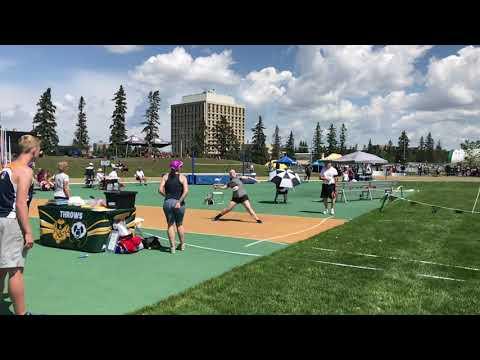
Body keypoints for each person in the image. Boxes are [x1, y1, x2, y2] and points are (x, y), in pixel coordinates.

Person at [0, 135, 41, 315]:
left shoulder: (6, 168)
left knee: (1, 268)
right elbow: (20, 204)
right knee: (15, 270)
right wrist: (28, 231)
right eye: (39, 149)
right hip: (11, 222)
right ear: (33, 150)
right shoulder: (25, 171)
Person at [159, 160, 189, 254]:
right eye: (181, 166)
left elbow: (160, 190)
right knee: (179, 224)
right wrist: (179, 201)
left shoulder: (165, 176)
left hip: (167, 203)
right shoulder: (182, 177)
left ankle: (172, 247)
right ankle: (182, 244)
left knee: (170, 224)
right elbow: (186, 191)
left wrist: (167, 197)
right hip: (179, 203)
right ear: (178, 168)